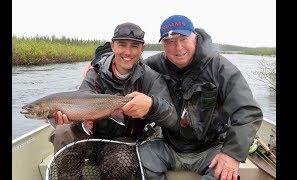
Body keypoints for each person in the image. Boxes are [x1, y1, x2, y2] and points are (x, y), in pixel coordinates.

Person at [139, 15, 263, 180]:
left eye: (183, 38)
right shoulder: (153, 65)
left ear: (195, 37)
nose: (178, 47)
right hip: (168, 146)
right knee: (140, 159)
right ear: (163, 45)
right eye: (169, 42)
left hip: (210, 149)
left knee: (224, 174)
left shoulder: (220, 67)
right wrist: (97, 65)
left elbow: (248, 111)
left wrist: (232, 154)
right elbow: (126, 62)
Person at [48, 22, 178, 154]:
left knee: (121, 160)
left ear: (142, 49)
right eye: (122, 44)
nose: (127, 52)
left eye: (134, 46)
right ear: (112, 46)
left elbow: (172, 119)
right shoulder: (95, 74)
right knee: (62, 131)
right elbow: (82, 98)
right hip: (93, 138)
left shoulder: (152, 78)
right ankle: (70, 174)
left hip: (127, 143)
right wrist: (72, 116)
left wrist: (151, 105)